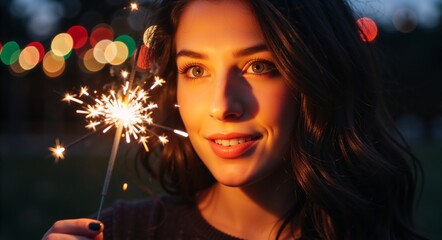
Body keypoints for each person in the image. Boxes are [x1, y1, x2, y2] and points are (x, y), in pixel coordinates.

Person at [42, 0, 428, 239]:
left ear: (316, 77)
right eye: (195, 70)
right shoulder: (120, 234)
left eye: (259, 66)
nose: (222, 105)